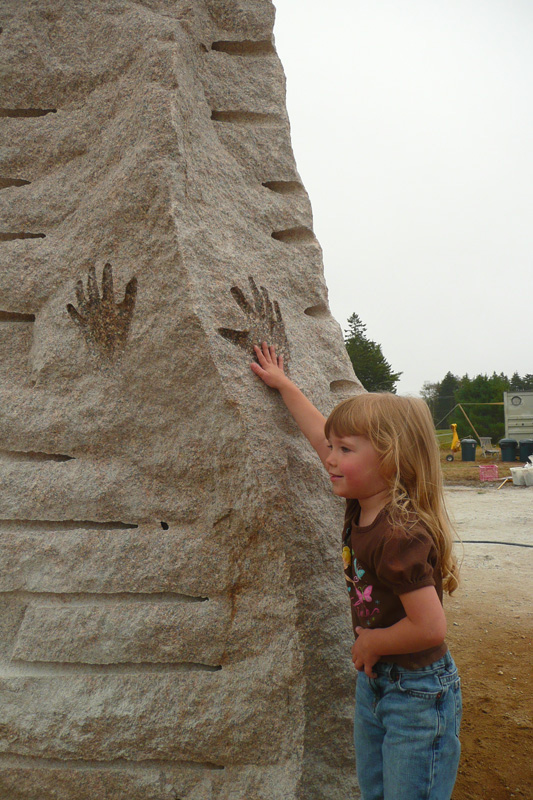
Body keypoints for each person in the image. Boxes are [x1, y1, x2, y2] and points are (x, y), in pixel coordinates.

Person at [250, 342, 462, 800]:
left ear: (392, 458)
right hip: (378, 684)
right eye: (333, 447)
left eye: (344, 449)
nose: (329, 457)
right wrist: (284, 385)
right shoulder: (362, 503)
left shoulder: (399, 534)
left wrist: (373, 641)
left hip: (419, 694)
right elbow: (317, 434)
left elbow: (430, 626)